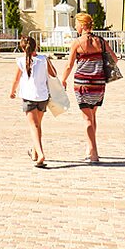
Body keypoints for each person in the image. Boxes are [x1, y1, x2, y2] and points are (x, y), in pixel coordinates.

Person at [61, 13, 110, 164]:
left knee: (87, 118)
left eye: (76, 24)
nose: (75, 26)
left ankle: (94, 153)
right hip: (99, 83)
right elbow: (114, 58)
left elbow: (69, 65)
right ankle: (90, 147)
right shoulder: (101, 41)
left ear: (82, 25)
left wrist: (63, 80)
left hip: (83, 83)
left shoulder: (77, 42)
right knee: (93, 116)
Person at [10, 35, 56, 168]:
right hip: (42, 97)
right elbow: (54, 74)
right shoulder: (43, 59)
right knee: (38, 125)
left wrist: (12, 91)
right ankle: (34, 152)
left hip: (28, 97)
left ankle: (41, 154)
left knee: (33, 126)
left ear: (23, 48)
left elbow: (16, 79)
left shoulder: (21, 61)